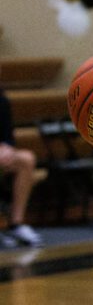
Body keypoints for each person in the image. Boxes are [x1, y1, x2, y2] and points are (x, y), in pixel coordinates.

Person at [0, 73, 44, 249]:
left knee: (26, 159)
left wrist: (6, 149)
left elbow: (8, 137)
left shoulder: (1, 101)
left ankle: (16, 225)